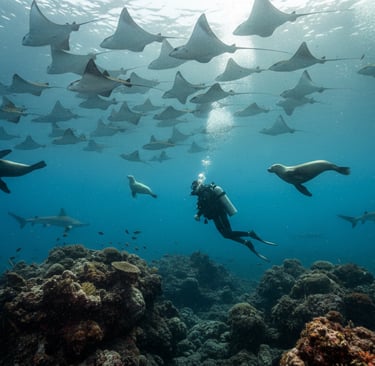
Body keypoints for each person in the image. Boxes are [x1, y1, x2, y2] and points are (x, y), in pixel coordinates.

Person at [191, 178, 277, 261]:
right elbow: (204, 206)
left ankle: (250, 234)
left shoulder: (205, 192)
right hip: (215, 216)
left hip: (220, 214)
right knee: (225, 235)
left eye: (194, 187)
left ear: (198, 186)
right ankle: (246, 242)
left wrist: (199, 214)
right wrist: (199, 213)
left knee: (228, 233)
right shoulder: (202, 194)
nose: (194, 190)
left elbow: (208, 205)